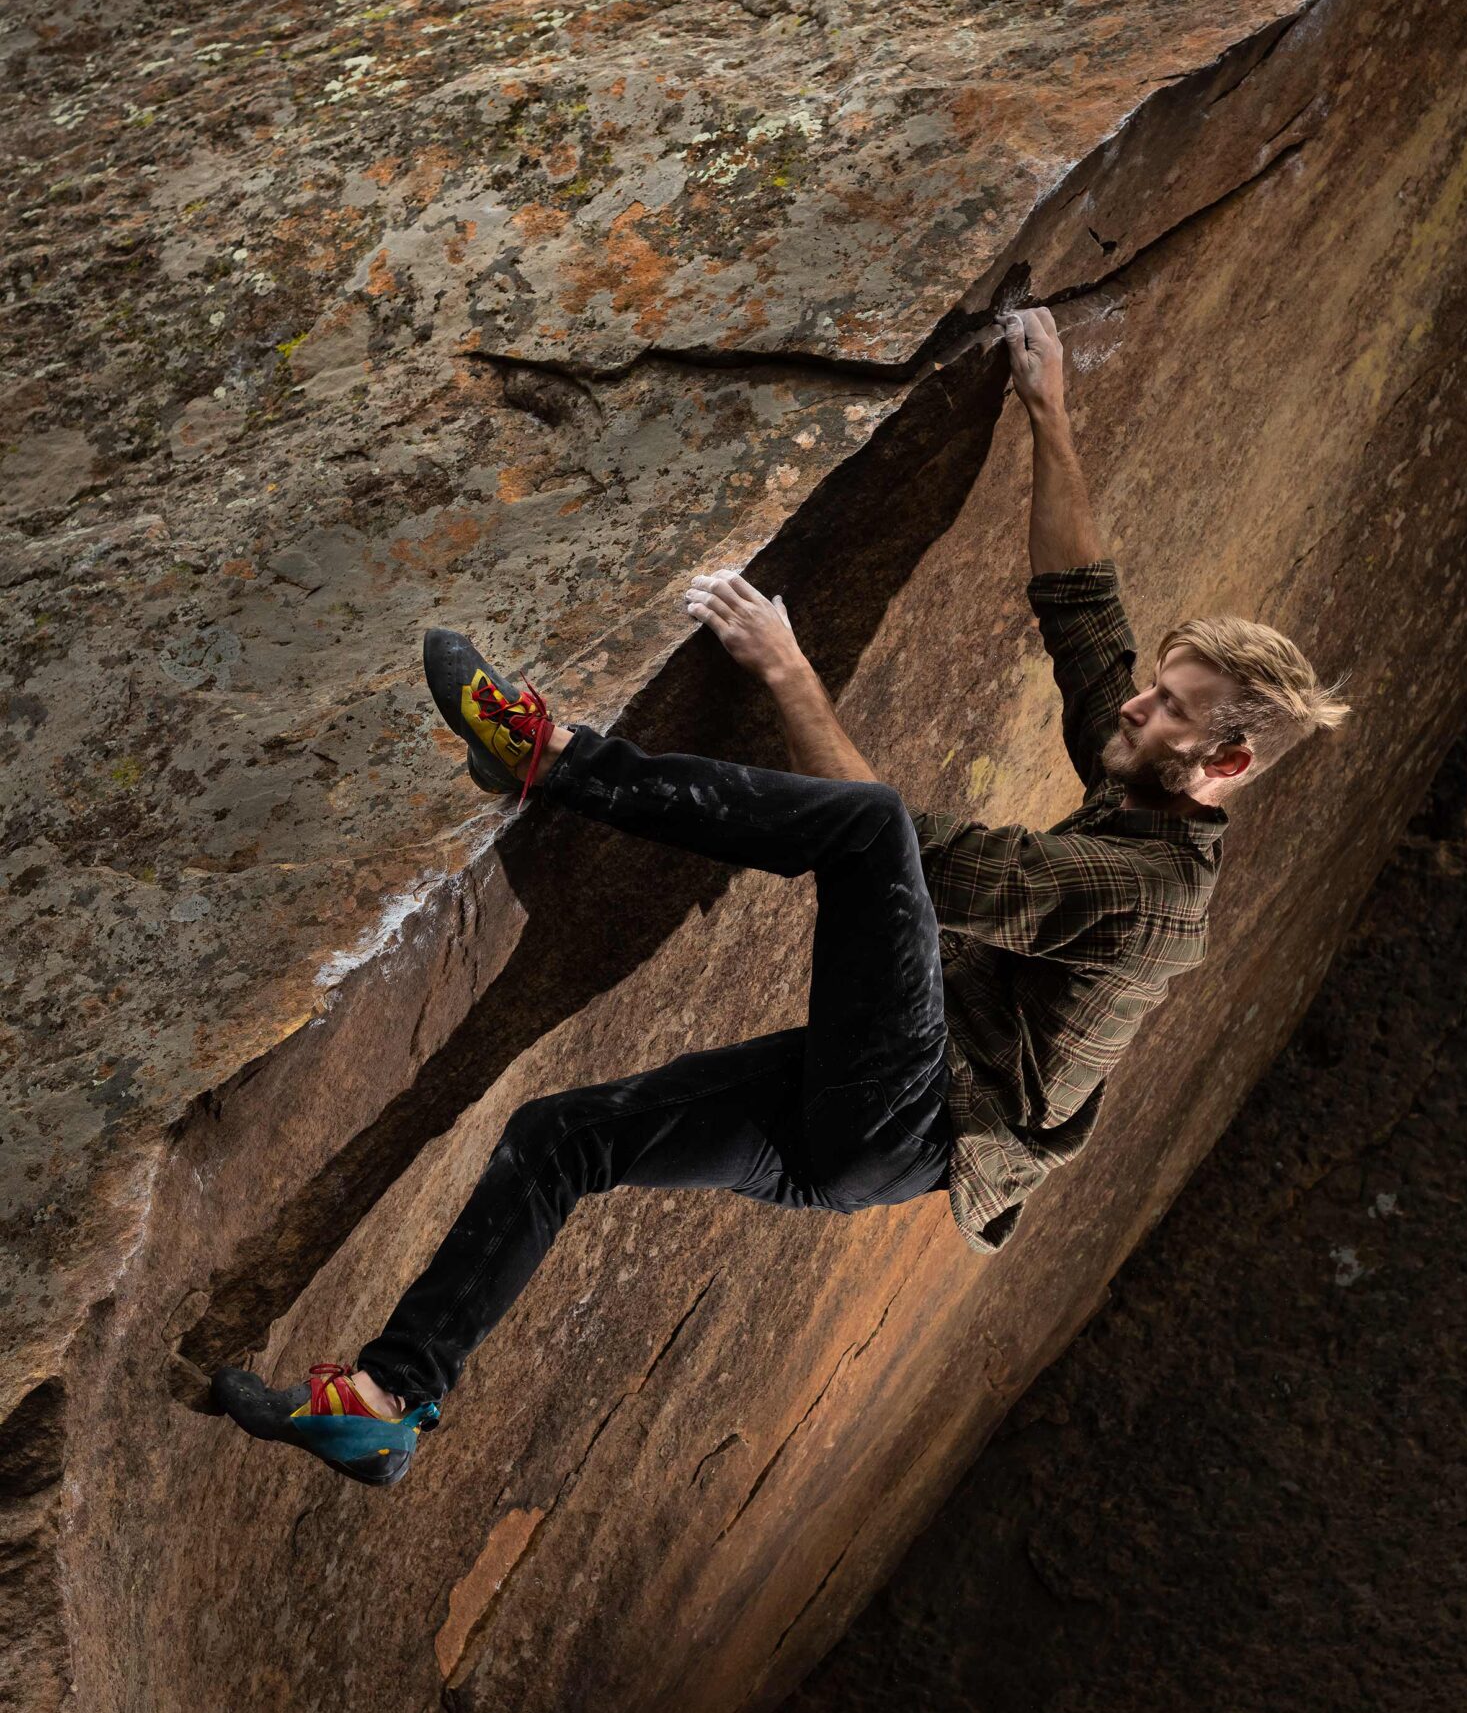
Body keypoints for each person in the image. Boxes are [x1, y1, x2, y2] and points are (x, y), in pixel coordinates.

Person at [212, 307, 1348, 1486]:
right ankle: (389, 1401)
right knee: (562, 1137)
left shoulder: (1150, 898)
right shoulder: (1148, 779)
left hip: (912, 1115)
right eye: (1158, 687)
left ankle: (551, 758)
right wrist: (1048, 410)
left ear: (1225, 764)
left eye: (1169, 709)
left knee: (872, 829)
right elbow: (1083, 612)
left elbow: (913, 863)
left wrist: (788, 670)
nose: (1137, 706)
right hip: (859, 1129)